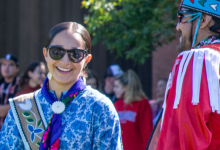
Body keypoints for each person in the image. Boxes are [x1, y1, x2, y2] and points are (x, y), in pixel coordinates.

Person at [0, 22, 123, 149]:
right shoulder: (21, 107)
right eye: (57, 52)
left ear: (86, 59)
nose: (65, 61)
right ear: (46, 53)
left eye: (75, 54)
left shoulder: (99, 107)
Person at [148, 0, 220, 149]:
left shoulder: (198, 59)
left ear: (204, 20)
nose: (178, 25)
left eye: (182, 16)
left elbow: (183, 138)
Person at [113, 69, 153, 150]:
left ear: (126, 87)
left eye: (117, 86)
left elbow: (147, 134)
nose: (114, 89)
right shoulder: (117, 104)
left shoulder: (142, 103)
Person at [0, 54, 19, 129]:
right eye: (4, 64)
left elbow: (16, 107)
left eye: (11, 65)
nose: (6, 68)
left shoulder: (21, 85)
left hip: (13, 130)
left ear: (17, 68)